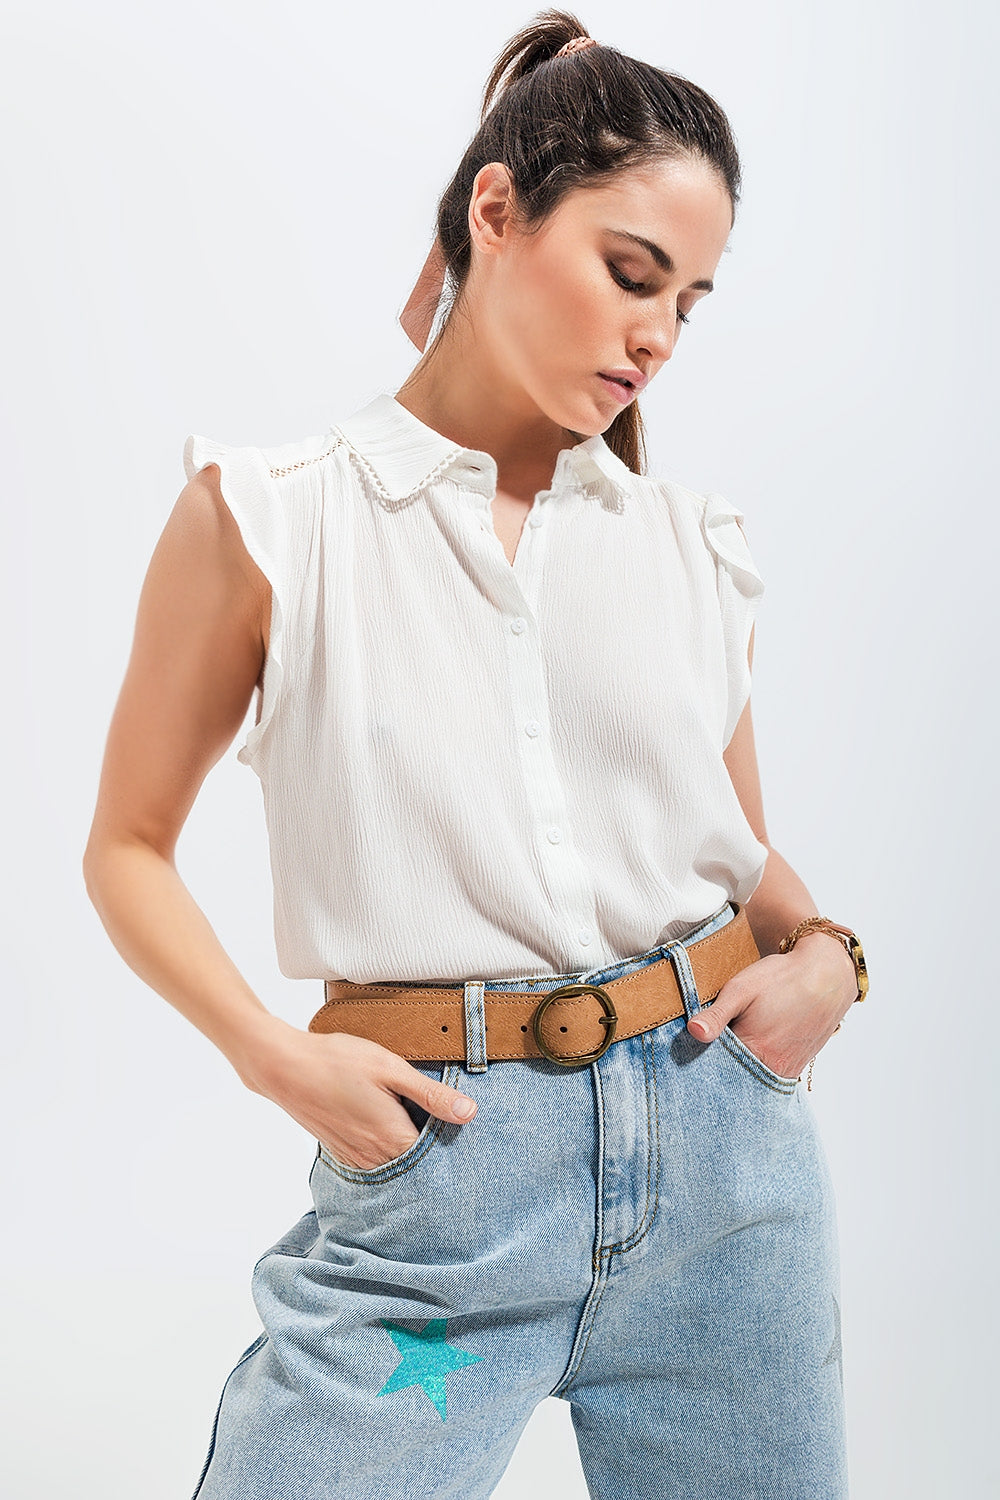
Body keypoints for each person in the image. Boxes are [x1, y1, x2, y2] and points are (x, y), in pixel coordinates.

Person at [82, 10, 869, 1498]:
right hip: (438, 1182)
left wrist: (829, 956)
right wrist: (271, 1059)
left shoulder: (692, 547)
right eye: (633, 274)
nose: (656, 334)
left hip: (730, 1182)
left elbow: (736, 851)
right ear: (497, 211)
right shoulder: (270, 521)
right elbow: (123, 846)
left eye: (689, 303)